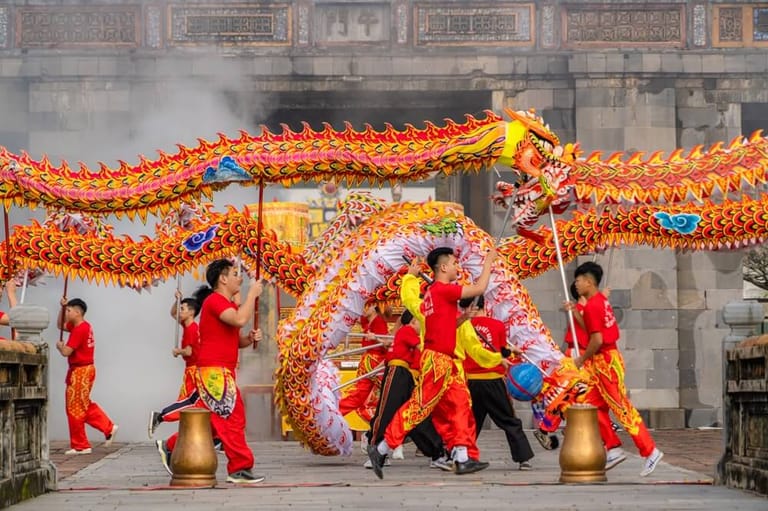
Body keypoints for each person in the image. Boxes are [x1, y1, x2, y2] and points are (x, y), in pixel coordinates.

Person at [368, 247, 505, 478]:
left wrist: (463, 318)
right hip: (438, 360)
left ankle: (461, 457)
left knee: (461, 404)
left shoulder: (432, 293)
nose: (456, 267)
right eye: (453, 263)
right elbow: (480, 288)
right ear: (442, 267)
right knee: (419, 407)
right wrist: (489, 260)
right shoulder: (443, 290)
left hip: (447, 361)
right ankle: (382, 448)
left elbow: (442, 327)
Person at [156, 259, 265, 484]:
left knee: (213, 421)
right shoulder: (215, 301)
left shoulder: (226, 304)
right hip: (215, 372)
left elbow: (234, 341)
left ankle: (172, 445)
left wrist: (249, 339)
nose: (240, 278)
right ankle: (240, 468)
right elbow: (239, 319)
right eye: (235, 273)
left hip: (221, 370)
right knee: (232, 418)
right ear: (222, 279)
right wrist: (252, 295)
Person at [570, 261, 664, 477]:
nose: (576, 285)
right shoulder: (600, 300)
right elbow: (595, 330)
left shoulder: (594, 304)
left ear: (588, 281)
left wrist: (581, 359)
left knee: (622, 409)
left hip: (605, 363)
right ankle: (613, 447)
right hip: (604, 362)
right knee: (588, 404)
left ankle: (650, 450)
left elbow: (596, 339)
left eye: (578, 281)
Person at [365, 309, 450, 470]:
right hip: (397, 373)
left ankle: (435, 451)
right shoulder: (407, 330)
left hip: (404, 376)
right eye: (419, 322)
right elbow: (422, 347)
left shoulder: (403, 333)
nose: (421, 325)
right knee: (388, 412)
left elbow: (391, 343)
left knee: (411, 415)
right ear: (412, 321)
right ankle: (376, 448)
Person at [459, 295, 534, 471]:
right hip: (493, 381)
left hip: (472, 382)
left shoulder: (462, 326)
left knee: (470, 423)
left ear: (472, 307)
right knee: (509, 420)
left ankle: (459, 456)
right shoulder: (497, 326)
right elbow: (499, 351)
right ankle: (523, 458)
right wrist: (511, 352)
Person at [55, 297, 118, 455]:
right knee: (82, 404)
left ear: (77, 312)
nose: (67, 313)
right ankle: (107, 427)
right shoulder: (83, 326)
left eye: (69, 311)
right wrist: (62, 308)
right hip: (84, 370)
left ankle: (81, 444)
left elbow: (66, 352)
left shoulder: (79, 330)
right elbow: (60, 325)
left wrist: (60, 347)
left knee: (75, 408)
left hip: (80, 371)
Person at [147, 292, 202, 438]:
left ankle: (165, 419)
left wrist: (179, 351)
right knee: (191, 403)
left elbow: (189, 352)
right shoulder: (187, 325)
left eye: (182, 309)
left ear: (191, 312)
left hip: (194, 370)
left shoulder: (192, 329)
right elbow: (173, 313)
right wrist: (177, 300)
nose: (179, 311)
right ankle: (162, 417)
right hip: (192, 371)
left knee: (190, 403)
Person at [339, 303, 391, 428]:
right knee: (362, 395)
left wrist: (376, 338)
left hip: (376, 362)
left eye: (367, 306)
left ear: (374, 307)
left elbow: (387, 344)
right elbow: (354, 317)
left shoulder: (378, 322)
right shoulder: (368, 321)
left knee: (367, 396)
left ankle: (337, 412)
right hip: (370, 362)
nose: (364, 309)